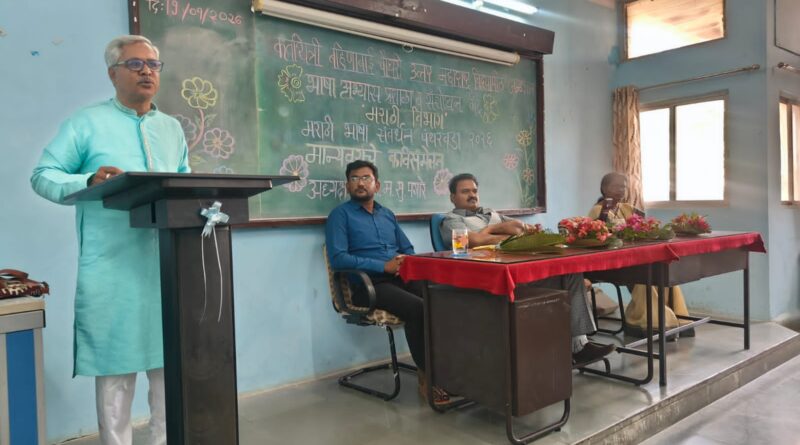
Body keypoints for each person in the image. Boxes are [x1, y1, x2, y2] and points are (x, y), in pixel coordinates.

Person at [31, 35, 190, 445]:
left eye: (154, 65)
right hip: (112, 267)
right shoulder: (86, 123)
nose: (147, 72)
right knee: (116, 372)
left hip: (168, 265)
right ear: (112, 73)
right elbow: (43, 175)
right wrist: (88, 179)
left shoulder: (171, 128)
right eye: (136, 64)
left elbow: (187, 186)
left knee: (169, 369)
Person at [439, 173, 615, 364]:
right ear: (452, 197)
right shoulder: (450, 220)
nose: (472, 195)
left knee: (571, 274)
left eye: (474, 190)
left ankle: (579, 345)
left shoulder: (491, 214)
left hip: (520, 271)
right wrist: (496, 231)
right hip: (491, 281)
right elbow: (472, 240)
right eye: (465, 191)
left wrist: (498, 232)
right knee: (567, 279)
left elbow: (523, 229)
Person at [326, 160, 454, 405]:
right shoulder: (340, 216)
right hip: (368, 286)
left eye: (366, 178)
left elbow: (407, 248)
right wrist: (382, 266)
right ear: (347, 185)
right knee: (418, 308)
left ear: (377, 185)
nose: (360, 183)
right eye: (354, 178)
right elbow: (338, 258)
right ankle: (429, 378)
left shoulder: (387, 215)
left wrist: (404, 261)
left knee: (441, 298)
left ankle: (450, 370)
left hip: (398, 278)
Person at [588, 172, 694, 338]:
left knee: (666, 274)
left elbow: (645, 225)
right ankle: (644, 322)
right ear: (604, 189)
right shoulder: (597, 210)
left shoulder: (627, 208)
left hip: (635, 259)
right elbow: (597, 234)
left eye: (623, 187)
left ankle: (680, 321)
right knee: (646, 278)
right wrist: (604, 214)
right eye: (616, 186)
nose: (621, 190)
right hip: (615, 264)